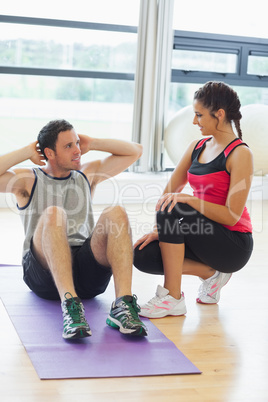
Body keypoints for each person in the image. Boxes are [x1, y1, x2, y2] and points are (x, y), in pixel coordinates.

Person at [0, 119, 148, 339]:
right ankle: (70, 306)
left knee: (116, 212)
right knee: (54, 213)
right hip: (44, 274)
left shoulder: (86, 175)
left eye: (77, 143)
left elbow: (135, 152)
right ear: (49, 153)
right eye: (68, 146)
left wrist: (93, 143)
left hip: (86, 274)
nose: (78, 150)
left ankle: (123, 305)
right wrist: (26, 151)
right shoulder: (28, 180)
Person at [134, 81, 254, 318]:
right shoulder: (196, 147)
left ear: (219, 114)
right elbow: (168, 195)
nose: (194, 121)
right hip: (200, 234)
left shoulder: (240, 154)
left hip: (232, 243)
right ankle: (212, 274)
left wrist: (189, 201)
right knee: (142, 254)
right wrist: (163, 231)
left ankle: (172, 297)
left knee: (177, 203)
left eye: (199, 115)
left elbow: (231, 215)